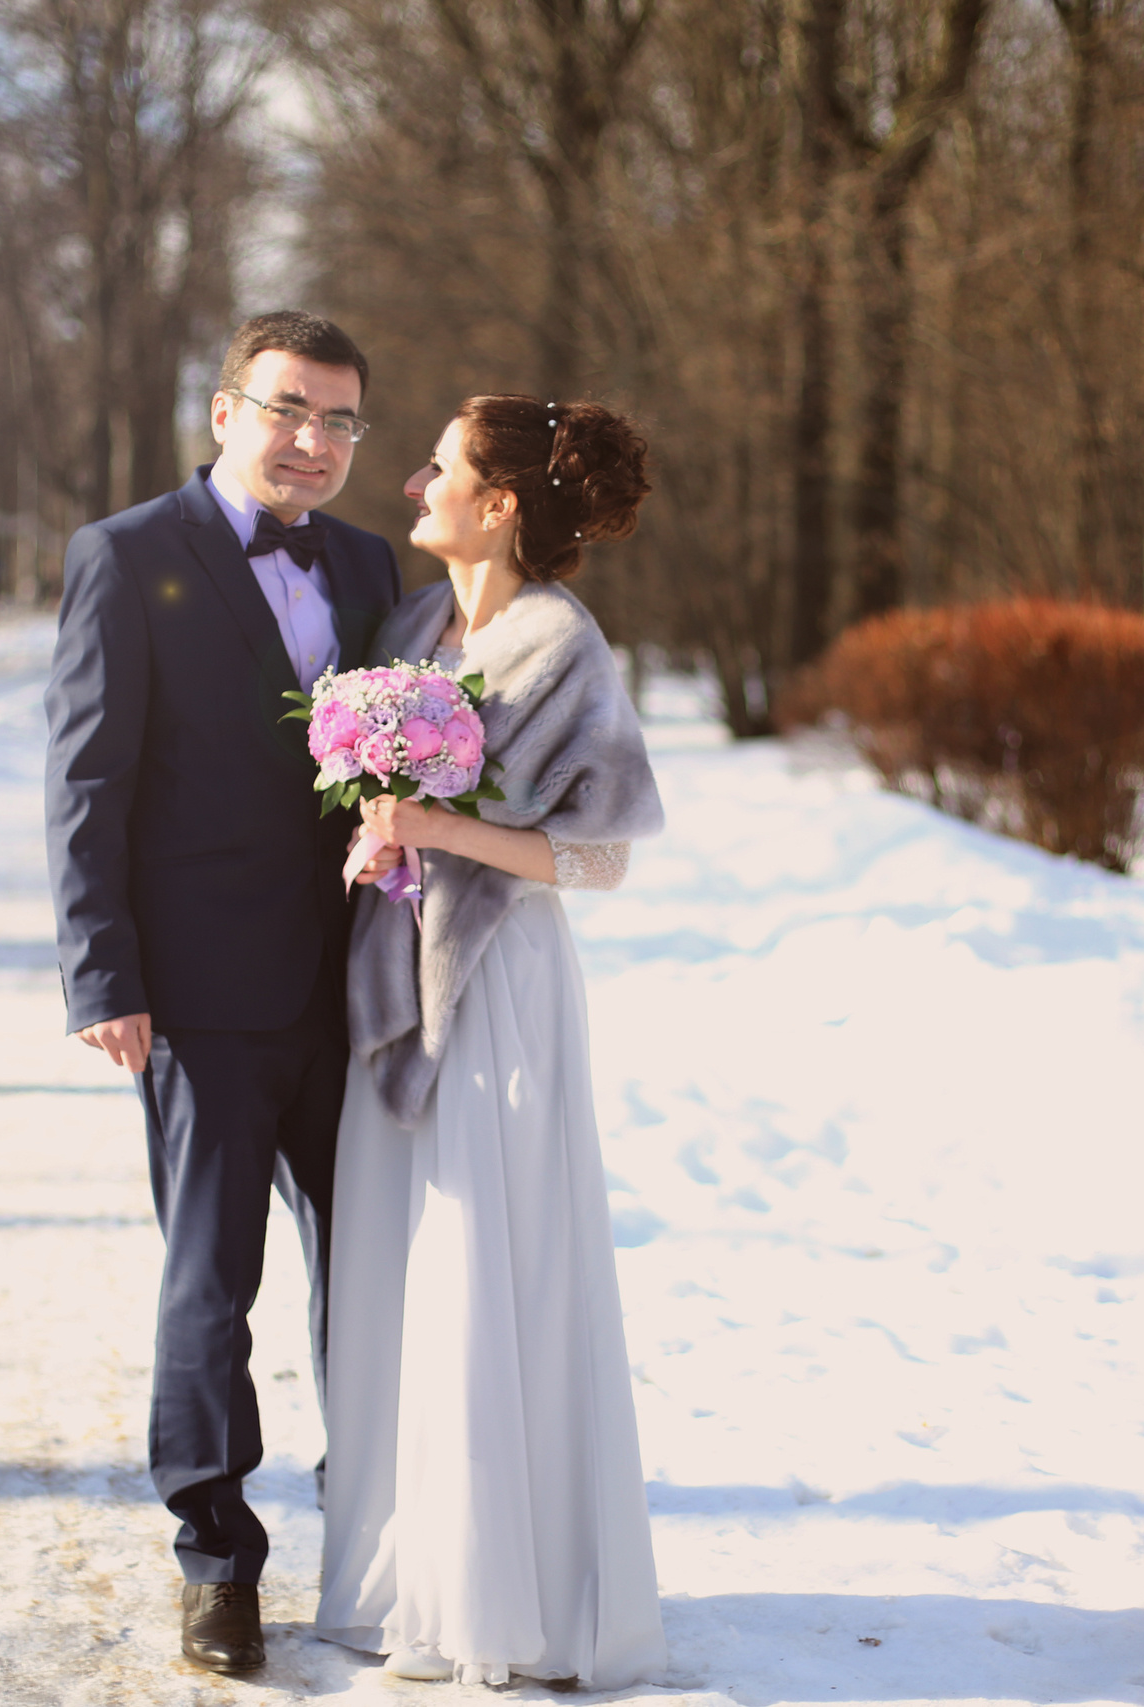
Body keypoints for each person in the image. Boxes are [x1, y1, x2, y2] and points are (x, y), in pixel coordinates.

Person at [45, 311, 399, 1676]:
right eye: (291, 410)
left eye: (342, 422)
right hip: (199, 993)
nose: (315, 443)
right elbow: (88, 779)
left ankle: (377, 1532)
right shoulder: (127, 556)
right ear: (224, 411)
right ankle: (215, 1558)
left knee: (373, 1275)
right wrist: (105, 969)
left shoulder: (369, 565)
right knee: (214, 1281)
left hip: (361, 991)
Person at [313, 396, 669, 1689]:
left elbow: (605, 853)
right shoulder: (413, 627)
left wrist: (435, 827)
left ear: (500, 501)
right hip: (396, 978)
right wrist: (376, 825)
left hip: (502, 985)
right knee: (402, 1269)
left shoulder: (558, 644)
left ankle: (509, 1593)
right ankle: (410, 1571)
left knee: (489, 1266)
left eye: (442, 467)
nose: (415, 481)